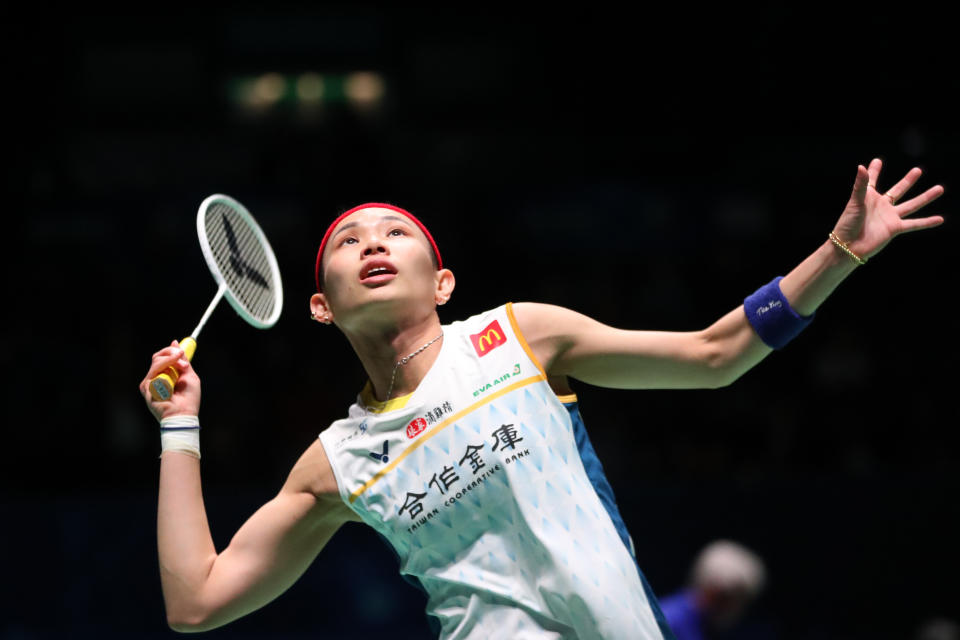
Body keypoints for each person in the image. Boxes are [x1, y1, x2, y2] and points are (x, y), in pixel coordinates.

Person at [140, 159, 944, 639]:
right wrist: (181, 426)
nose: (373, 245)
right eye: (348, 242)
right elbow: (197, 602)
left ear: (443, 281)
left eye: (394, 233)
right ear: (321, 304)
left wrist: (840, 254)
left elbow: (714, 355)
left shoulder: (520, 336)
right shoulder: (337, 460)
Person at [659, 540, 768, 640]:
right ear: (717, 593)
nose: (739, 611)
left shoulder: (701, 626)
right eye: (738, 600)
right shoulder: (669, 621)